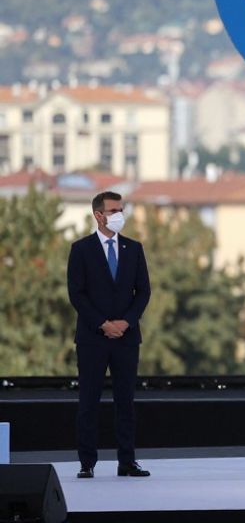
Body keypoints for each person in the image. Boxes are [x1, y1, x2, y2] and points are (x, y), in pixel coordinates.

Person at [67, 190, 152, 479]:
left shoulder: (134, 248)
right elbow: (76, 294)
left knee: (125, 402)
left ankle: (127, 461)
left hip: (126, 338)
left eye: (121, 209)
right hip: (93, 338)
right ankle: (86, 463)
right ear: (98, 214)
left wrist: (126, 322)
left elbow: (143, 292)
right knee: (88, 401)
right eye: (114, 211)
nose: (120, 215)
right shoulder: (81, 249)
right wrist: (103, 323)